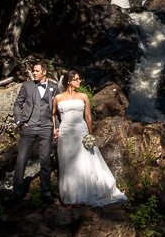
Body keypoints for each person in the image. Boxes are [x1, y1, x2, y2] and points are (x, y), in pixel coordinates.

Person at [53, 70, 127, 208]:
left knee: (82, 162)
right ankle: (69, 197)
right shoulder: (58, 98)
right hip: (65, 132)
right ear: (69, 82)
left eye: (79, 79)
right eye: (77, 79)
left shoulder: (83, 96)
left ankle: (82, 196)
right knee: (67, 163)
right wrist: (54, 129)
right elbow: (53, 114)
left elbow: (88, 117)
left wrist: (90, 135)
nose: (79, 82)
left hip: (81, 130)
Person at [11, 60, 59, 203]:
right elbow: (17, 103)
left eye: (37, 71)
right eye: (33, 71)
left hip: (46, 127)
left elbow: (57, 111)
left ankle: (45, 193)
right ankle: (17, 192)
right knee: (21, 160)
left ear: (44, 72)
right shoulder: (27, 86)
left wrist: (57, 127)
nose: (34, 73)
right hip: (28, 126)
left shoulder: (54, 88)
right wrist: (19, 120)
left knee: (45, 161)